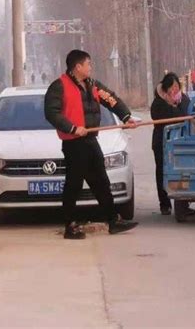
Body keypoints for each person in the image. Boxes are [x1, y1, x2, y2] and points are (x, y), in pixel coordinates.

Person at [44, 49, 139, 239]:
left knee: (101, 181)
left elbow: (111, 100)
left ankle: (113, 220)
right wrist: (72, 128)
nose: (90, 67)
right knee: (74, 184)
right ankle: (70, 225)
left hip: (90, 140)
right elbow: (51, 113)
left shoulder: (93, 85)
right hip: (74, 143)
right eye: (88, 64)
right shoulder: (59, 86)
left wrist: (126, 116)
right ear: (78, 67)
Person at [150, 72, 195, 217]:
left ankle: (183, 205)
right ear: (165, 88)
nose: (175, 89)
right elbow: (170, 118)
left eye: (177, 86)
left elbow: (190, 113)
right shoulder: (158, 103)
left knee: (182, 173)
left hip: (180, 142)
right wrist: (172, 106)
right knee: (162, 171)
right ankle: (164, 204)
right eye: (172, 87)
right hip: (161, 142)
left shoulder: (184, 99)